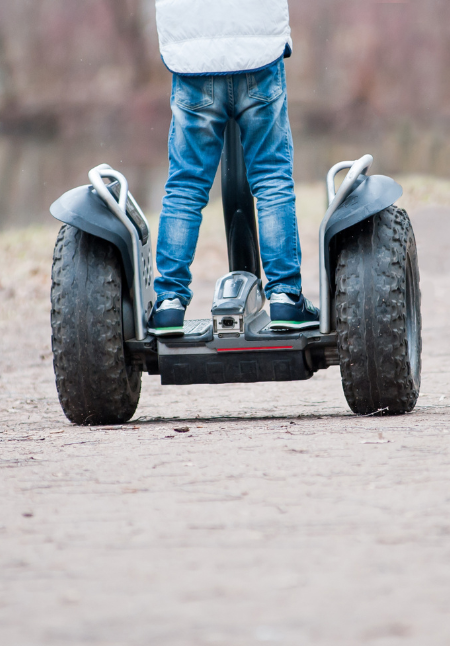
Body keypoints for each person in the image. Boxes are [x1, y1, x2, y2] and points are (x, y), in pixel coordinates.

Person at [148, 0, 320, 336]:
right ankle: (285, 296)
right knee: (272, 178)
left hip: (193, 52)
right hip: (256, 48)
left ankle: (169, 303)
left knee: (186, 184)